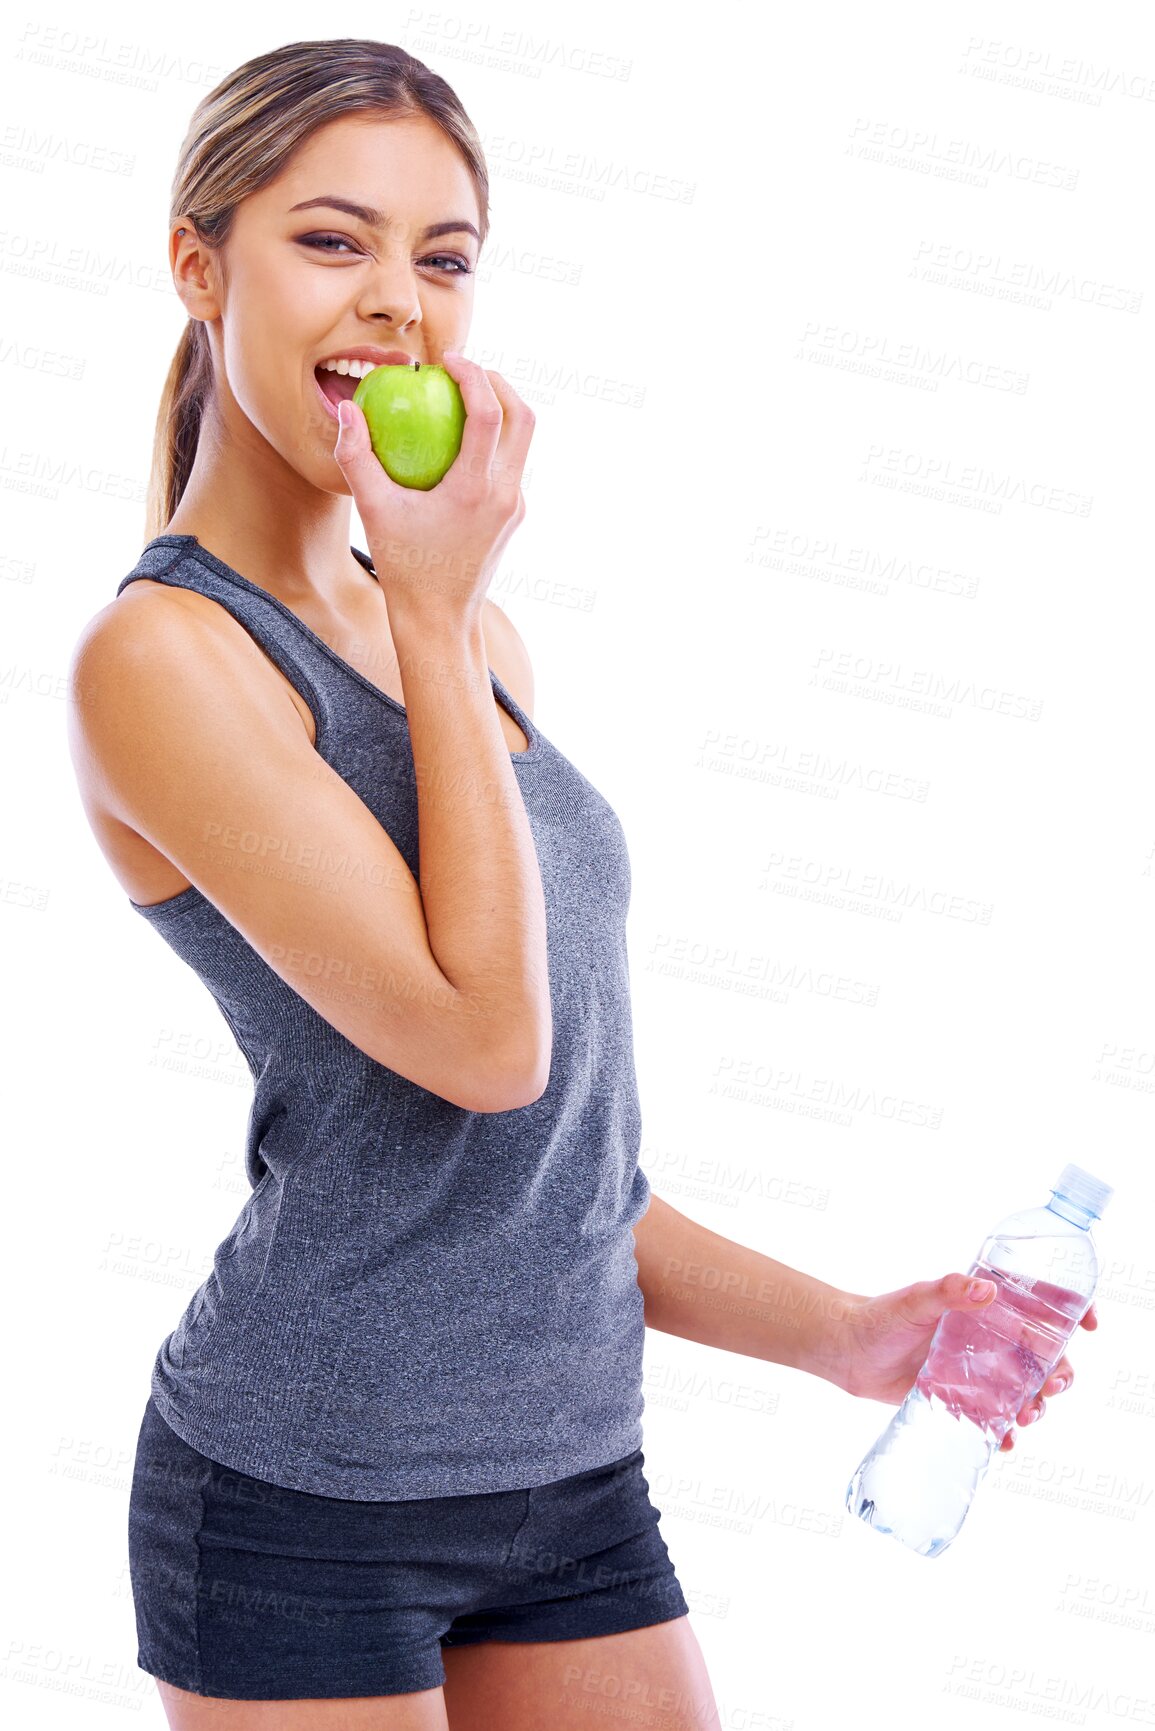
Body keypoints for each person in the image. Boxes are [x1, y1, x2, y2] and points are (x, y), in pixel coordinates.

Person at [65, 37, 1097, 1731]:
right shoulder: (165, 661)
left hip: (570, 1480)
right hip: (304, 1496)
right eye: (334, 242)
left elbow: (549, 1173)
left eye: (444, 256)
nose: (401, 304)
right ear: (199, 265)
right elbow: (485, 1046)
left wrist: (849, 1336)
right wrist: (427, 606)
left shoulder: (477, 638)